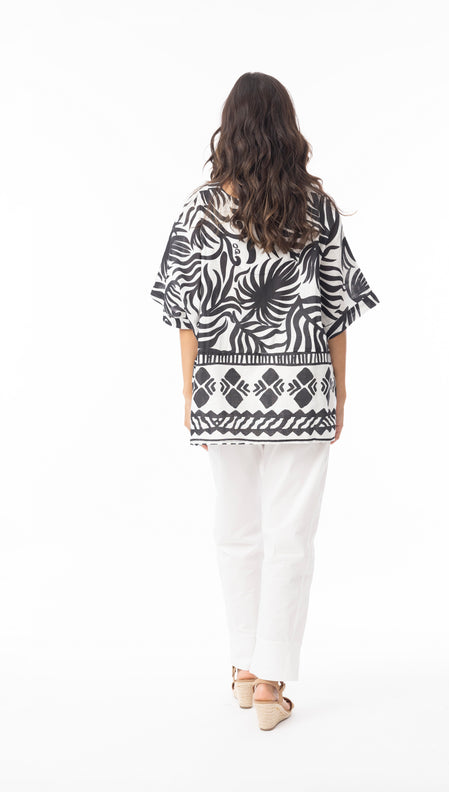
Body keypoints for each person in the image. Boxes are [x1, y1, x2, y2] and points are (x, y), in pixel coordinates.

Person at [150, 72, 380, 730]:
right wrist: (339, 394)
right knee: (290, 538)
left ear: (230, 129)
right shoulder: (315, 208)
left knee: (236, 532)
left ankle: (244, 667)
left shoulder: (198, 210)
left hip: (223, 393)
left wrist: (191, 394)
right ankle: (271, 682)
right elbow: (337, 314)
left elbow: (183, 313)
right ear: (286, 127)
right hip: (303, 393)